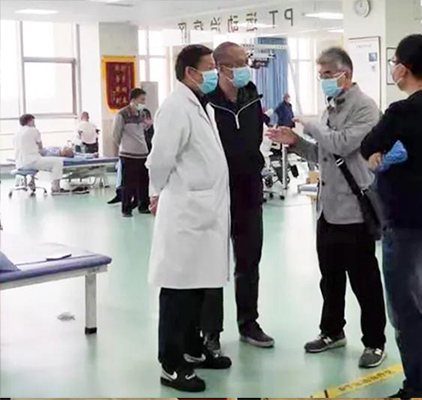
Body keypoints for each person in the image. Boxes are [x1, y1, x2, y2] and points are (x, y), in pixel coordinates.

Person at [267, 47, 387, 369]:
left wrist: (310, 125)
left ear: (345, 74)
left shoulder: (366, 108)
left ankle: (375, 341)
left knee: (364, 281)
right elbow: (323, 154)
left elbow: (343, 144)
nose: (323, 81)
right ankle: (332, 331)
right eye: (320, 75)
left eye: (327, 75)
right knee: (330, 278)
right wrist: (295, 142)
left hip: (354, 211)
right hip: (327, 210)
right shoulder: (330, 107)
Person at [360, 34, 422, 399]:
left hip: (407, 220)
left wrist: (380, 155)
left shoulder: (404, 110)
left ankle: (417, 388)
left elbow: (369, 145)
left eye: (394, 62)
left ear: (404, 68)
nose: (392, 69)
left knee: (407, 309)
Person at [146, 44, 232, 393]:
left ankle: (192, 349)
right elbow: (159, 160)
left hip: (205, 212)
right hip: (185, 211)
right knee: (178, 291)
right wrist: (157, 192)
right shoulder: (175, 107)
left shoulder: (200, 104)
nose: (214, 73)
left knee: (198, 287)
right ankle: (171, 363)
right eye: (209, 67)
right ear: (190, 72)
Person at [202, 41, 274, 353]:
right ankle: (210, 332)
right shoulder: (205, 102)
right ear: (221, 67)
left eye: (246, 61)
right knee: (213, 262)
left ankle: (249, 323)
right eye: (239, 62)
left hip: (249, 190)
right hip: (217, 191)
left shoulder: (251, 96)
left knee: (249, 260)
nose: (246, 67)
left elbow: (257, 138)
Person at [112, 88, 151, 217]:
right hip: (128, 155)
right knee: (128, 184)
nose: (144, 102)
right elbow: (116, 135)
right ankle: (126, 209)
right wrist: (123, 148)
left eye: (144, 100)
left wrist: (149, 124)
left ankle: (143, 206)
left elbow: (144, 130)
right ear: (133, 100)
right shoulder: (122, 114)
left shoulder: (142, 114)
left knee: (143, 183)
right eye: (142, 100)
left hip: (143, 154)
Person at [13, 114, 67, 195]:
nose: (34, 123)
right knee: (58, 162)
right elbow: (40, 147)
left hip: (19, 163)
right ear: (30, 121)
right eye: (33, 121)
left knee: (43, 161)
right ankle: (56, 188)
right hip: (31, 161)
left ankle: (31, 182)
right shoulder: (33, 130)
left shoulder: (16, 134)